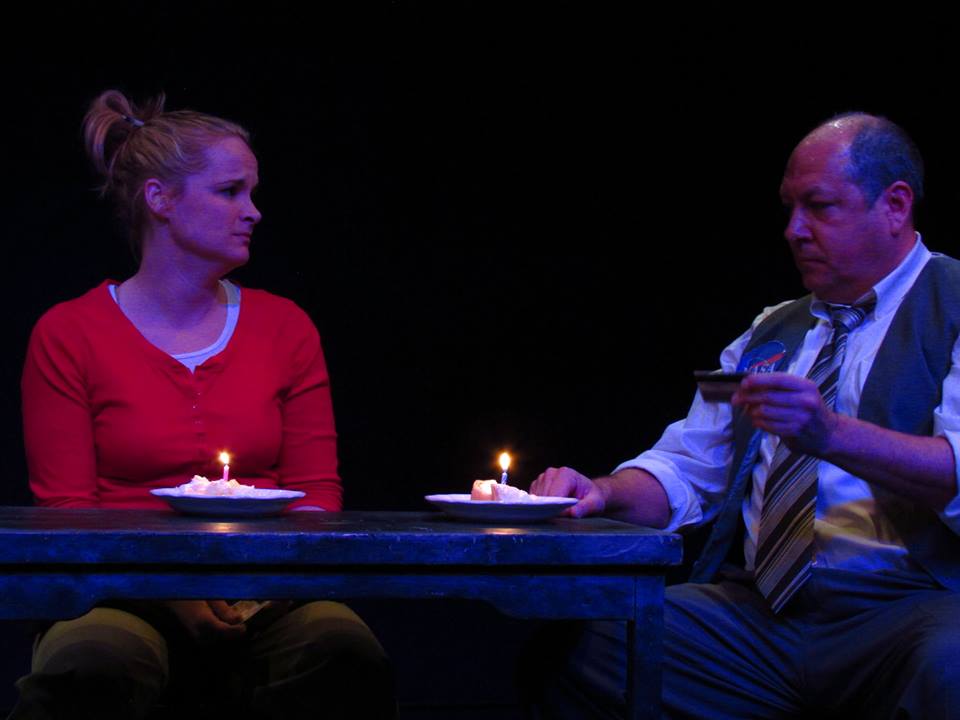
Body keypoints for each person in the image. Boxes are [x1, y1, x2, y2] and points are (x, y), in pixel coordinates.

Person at [528, 113, 960, 718]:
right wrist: (599, 492)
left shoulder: (953, 306)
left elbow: (958, 468)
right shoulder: (773, 330)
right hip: (763, 616)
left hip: (907, 609)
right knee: (591, 644)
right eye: (789, 208)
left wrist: (829, 433)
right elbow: (689, 468)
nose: (793, 230)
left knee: (952, 666)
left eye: (819, 207)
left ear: (894, 206)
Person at [10, 90, 395, 719]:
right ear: (159, 199)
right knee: (92, 662)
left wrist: (255, 590)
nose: (254, 212)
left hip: (270, 592)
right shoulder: (69, 333)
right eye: (230, 192)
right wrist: (173, 595)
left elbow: (317, 497)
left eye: (253, 192)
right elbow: (67, 514)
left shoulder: (284, 326)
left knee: (344, 649)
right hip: (121, 594)